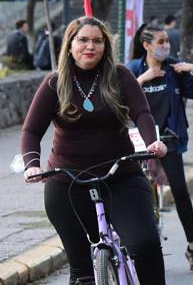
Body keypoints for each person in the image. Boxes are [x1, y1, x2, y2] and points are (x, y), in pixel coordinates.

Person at [20, 16, 168, 284]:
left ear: (105, 46)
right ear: (70, 45)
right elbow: (31, 131)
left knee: (144, 244)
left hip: (121, 177)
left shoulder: (120, 75)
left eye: (97, 41)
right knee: (82, 272)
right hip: (68, 181)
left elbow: (142, 113)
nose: (90, 46)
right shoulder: (55, 83)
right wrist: (32, 164)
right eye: (83, 40)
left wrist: (152, 143)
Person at [127, 22, 193, 273]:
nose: (165, 46)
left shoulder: (175, 69)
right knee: (132, 194)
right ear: (146, 45)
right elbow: (118, 99)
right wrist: (143, 79)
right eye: (160, 42)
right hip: (138, 141)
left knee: (180, 192)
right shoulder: (132, 69)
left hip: (169, 141)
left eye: (167, 42)